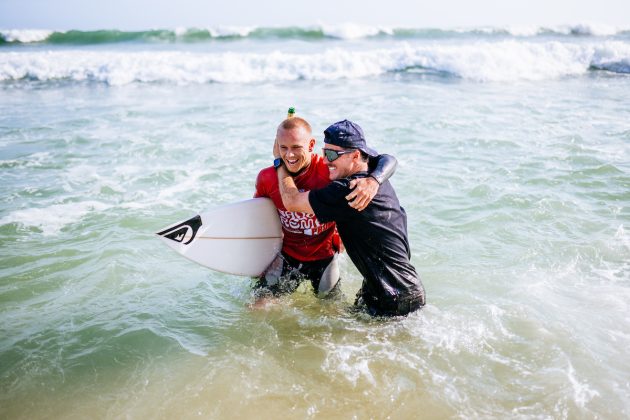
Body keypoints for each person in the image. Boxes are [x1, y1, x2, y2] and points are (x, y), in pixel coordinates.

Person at [274, 119, 425, 317]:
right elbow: (386, 158)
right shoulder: (371, 174)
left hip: (395, 297)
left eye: (331, 155)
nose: (325, 161)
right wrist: (375, 179)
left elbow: (291, 201)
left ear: (355, 155)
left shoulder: (349, 190)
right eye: (323, 152)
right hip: (384, 290)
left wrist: (279, 162)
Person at [253, 116, 398, 301]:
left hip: (324, 257)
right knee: (257, 306)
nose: (289, 155)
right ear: (276, 147)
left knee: (333, 317)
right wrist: (258, 259)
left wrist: (374, 180)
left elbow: (385, 160)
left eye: (296, 147)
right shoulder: (266, 178)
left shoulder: (329, 171)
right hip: (287, 255)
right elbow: (259, 218)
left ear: (311, 144)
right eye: (284, 148)